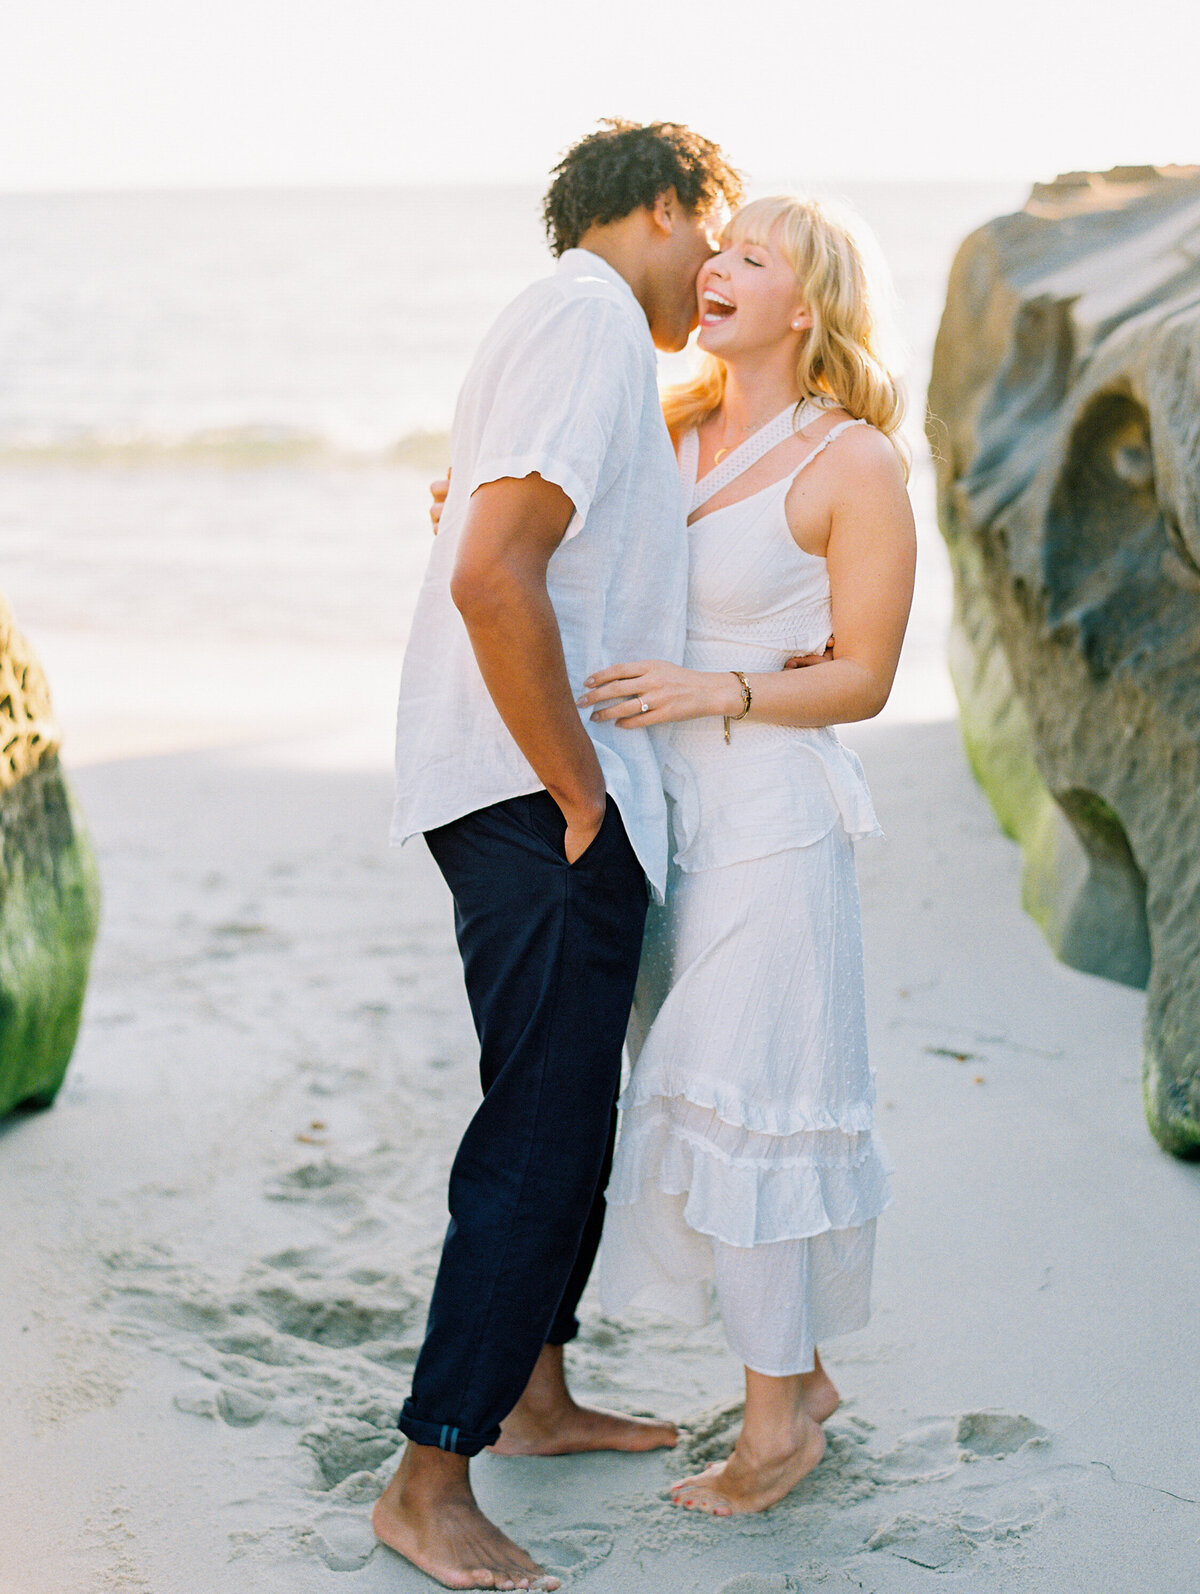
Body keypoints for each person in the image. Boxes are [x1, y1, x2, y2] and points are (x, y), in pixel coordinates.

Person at [373, 121, 743, 1591]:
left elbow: (500, 529)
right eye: (713, 228)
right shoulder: (590, 322)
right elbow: (489, 569)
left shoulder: (579, 335)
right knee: (537, 1125)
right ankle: (430, 1473)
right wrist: (580, 786)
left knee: (567, 1112)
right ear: (664, 206)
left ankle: (533, 1391)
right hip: (538, 790)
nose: (715, 265)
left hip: (527, 783)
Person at [577, 193, 916, 1516]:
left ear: (809, 304)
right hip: (669, 824)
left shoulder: (853, 465)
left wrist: (719, 688)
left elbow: (869, 676)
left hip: (773, 823)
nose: (714, 269)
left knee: (746, 1097)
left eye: (750, 257)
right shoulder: (668, 426)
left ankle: (776, 1431)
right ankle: (803, 1375)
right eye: (715, 249)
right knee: (706, 1099)